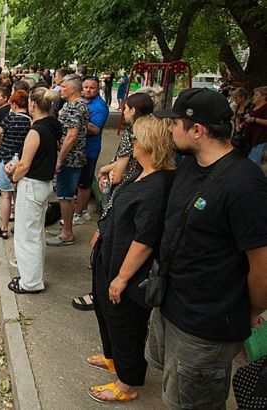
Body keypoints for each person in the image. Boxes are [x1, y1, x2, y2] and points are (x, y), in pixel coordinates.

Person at [147, 88, 267, 409]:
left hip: (204, 326)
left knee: (191, 401)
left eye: (174, 124)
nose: (170, 130)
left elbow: (262, 265)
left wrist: (252, 309)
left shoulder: (245, 184)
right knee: (175, 391)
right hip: (171, 305)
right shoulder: (189, 164)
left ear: (196, 130)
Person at [88, 115, 175, 403]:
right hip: (109, 255)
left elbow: (144, 239)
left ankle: (127, 383)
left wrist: (122, 278)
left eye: (136, 139)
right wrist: (102, 231)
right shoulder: (141, 170)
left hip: (126, 268)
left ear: (149, 144)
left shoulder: (158, 185)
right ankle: (113, 358)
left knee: (126, 324)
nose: (132, 143)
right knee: (105, 311)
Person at [71, 92, 155, 311]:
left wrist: (106, 173)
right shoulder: (149, 129)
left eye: (126, 109)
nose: (123, 112)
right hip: (128, 190)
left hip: (122, 192)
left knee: (101, 245)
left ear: (134, 111)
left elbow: (121, 169)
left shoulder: (133, 133)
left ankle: (98, 292)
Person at [5, 87, 62, 293]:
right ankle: (32, 276)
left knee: (26, 236)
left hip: (31, 186)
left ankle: (30, 282)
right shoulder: (52, 127)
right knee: (35, 234)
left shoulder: (36, 131)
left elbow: (25, 165)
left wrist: (13, 176)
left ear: (32, 104)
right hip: (43, 185)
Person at [47, 75, 89, 246]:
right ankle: (67, 227)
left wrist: (59, 158)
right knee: (67, 195)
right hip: (74, 156)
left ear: (73, 89)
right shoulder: (77, 105)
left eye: (63, 87)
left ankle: (67, 233)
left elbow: (71, 136)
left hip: (70, 158)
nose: (60, 89)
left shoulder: (74, 107)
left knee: (65, 196)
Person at [0, 90, 31, 239]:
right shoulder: (30, 121)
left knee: (6, 196)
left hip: (6, 161)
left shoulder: (10, 118)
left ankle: (3, 228)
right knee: (20, 197)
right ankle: (18, 228)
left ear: (13, 104)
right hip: (22, 162)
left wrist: (1, 140)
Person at [74, 77, 109, 225]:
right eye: (86, 87)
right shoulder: (82, 101)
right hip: (79, 149)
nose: (88, 90)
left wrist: (76, 121)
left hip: (89, 150)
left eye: (92, 88)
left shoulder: (100, 107)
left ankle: (78, 213)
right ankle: (83, 209)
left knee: (85, 183)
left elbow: (95, 129)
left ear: (98, 88)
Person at [243, 86, 267, 166]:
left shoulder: (265, 107)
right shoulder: (254, 106)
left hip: (260, 138)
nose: (254, 97)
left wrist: (254, 119)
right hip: (251, 138)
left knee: (253, 162)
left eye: (256, 95)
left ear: (263, 97)